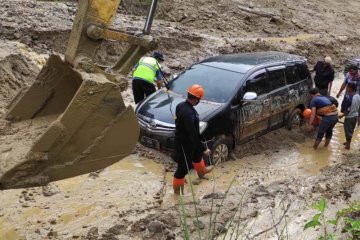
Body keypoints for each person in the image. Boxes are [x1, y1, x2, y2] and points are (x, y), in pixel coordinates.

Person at [172, 84, 213, 195]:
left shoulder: (180, 105)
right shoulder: (189, 113)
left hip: (182, 138)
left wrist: (199, 147)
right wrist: (203, 148)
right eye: (199, 99)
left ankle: (202, 171)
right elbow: (192, 134)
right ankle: (177, 193)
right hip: (184, 144)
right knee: (183, 168)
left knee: (197, 155)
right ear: (196, 99)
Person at [339, 83, 360, 150]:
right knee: (351, 130)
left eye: (347, 87)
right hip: (355, 115)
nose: (346, 88)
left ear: (350, 88)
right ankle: (347, 142)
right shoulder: (358, 96)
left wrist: (341, 116)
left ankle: (348, 146)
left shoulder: (349, 98)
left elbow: (347, 111)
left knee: (347, 131)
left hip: (349, 117)